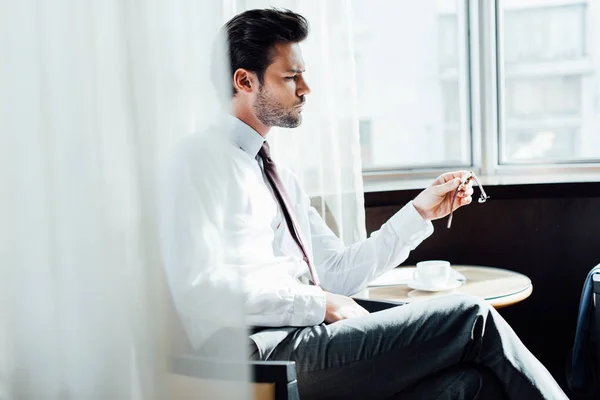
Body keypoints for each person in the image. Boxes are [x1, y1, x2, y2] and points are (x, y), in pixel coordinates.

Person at [160, 8, 569, 400]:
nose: (306, 89)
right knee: (472, 319)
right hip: (260, 354)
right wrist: (320, 303)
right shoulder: (199, 161)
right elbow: (202, 289)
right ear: (245, 82)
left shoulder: (279, 173)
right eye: (291, 77)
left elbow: (337, 273)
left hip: (304, 337)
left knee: (469, 384)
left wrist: (420, 212)